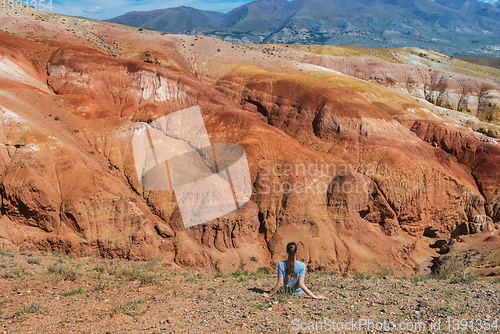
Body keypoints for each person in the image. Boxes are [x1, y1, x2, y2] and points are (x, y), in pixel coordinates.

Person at [261, 242, 326, 299]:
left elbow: (280, 283)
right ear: (296, 251)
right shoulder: (302, 265)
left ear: (287, 251)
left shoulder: (281, 264)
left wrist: (269, 294)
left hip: (285, 292)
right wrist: (314, 296)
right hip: (298, 293)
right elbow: (301, 284)